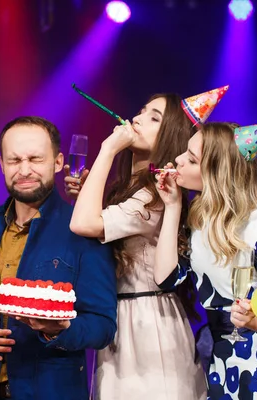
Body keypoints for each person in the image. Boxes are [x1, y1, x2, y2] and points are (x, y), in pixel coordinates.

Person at [67, 87, 227, 399]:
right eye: (141, 111)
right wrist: (88, 191)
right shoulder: (132, 189)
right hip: (123, 319)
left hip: (148, 325)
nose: (138, 119)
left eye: (154, 118)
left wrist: (108, 149)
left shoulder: (154, 196)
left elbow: (82, 224)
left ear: (170, 138)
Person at [0, 116, 118, 400]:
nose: (24, 170)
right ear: (1, 164)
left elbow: (102, 325)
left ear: (57, 161)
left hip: (52, 391)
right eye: (14, 160)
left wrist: (60, 329)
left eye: (35, 159)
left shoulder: (83, 228)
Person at [154, 120, 257, 399]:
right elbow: (166, 277)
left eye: (192, 160)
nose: (178, 161)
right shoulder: (198, 219)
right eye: (185, 153)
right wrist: (172, 206)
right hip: (219, 362)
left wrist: (254, 322)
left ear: (217, 172)